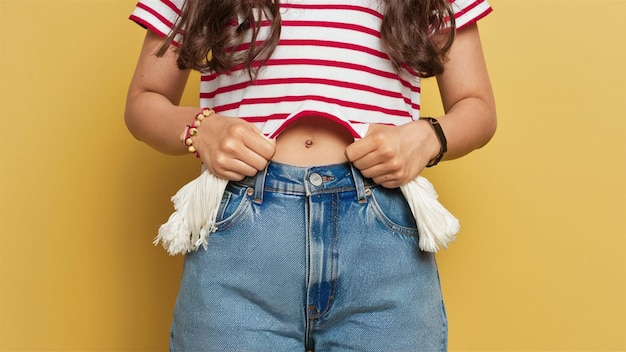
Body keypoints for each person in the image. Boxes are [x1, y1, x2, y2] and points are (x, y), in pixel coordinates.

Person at [125, 0, 496, 350]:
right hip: (239, 236)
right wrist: (200, 129)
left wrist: (428, 137)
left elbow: (477, 107)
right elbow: (144, 99)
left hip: (383, 237)